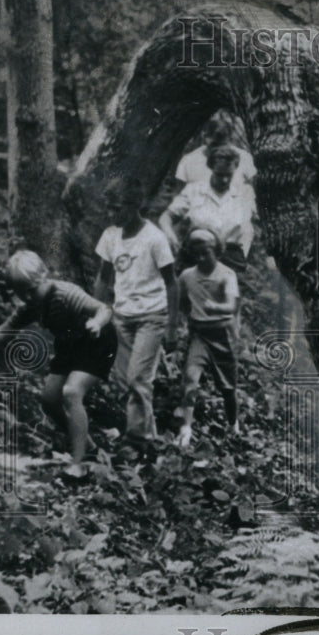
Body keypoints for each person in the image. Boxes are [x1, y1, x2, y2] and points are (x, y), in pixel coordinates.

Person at [0, 250, 116, 479]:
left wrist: (97, 323)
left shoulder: (66, 293)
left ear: (43, 279)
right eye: (23, 294)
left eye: (31, 291)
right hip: (71, 346)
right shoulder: (31, 305)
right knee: (49, 400)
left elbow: (104, 308)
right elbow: (3, 331)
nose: (29, 298)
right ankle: (88, 447)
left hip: (97, 341)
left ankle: (78, 464)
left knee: (71, 392)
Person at [94, 179, 179, 459]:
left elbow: (171, 283)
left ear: (134, 206)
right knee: (123, 380)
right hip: (122, 317)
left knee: (138, 380)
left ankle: (135, 442)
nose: (111, 215)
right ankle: (152, 439)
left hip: (151, 317)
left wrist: (171, 326)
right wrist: (99, 312)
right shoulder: (110, 235)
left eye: (116, 209)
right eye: (108, 209)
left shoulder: (154, 238)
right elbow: (104, 277)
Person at [175, 228, 240, 448]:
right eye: (196, 254)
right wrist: (187, 320)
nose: (201, 258)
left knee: (228, 387)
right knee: (190, 380)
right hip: (200, 335)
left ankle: (233, 425)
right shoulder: (187, 276)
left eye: (206, 252)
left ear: (217, 249)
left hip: (222, 335)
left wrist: (216, 307)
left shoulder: (226, 275)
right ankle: (186, 429)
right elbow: (182, 301)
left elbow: (232, 305)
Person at [161, 143, 254, 272]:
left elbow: (247, 230)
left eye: (229, 175)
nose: (225, 180)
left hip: (230, 260)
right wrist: (170, 237)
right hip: (195, 258)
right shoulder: (194, 190)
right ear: (211, 168)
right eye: (220, 174)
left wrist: (244, 255)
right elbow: (166, 217)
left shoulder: (241, 196)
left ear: (235, 169)